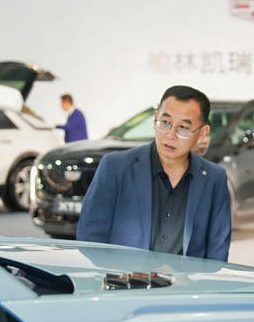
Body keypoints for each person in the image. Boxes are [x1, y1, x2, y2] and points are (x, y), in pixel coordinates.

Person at [77, 85, 231, 261]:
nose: (170, 135)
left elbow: (218, 250)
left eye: (183, 127)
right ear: (155, 117)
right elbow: (90, 238)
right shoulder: (115, 167)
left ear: (203, 132)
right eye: (165, 122)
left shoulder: (214, 178)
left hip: (186, 280)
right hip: (123, 278)